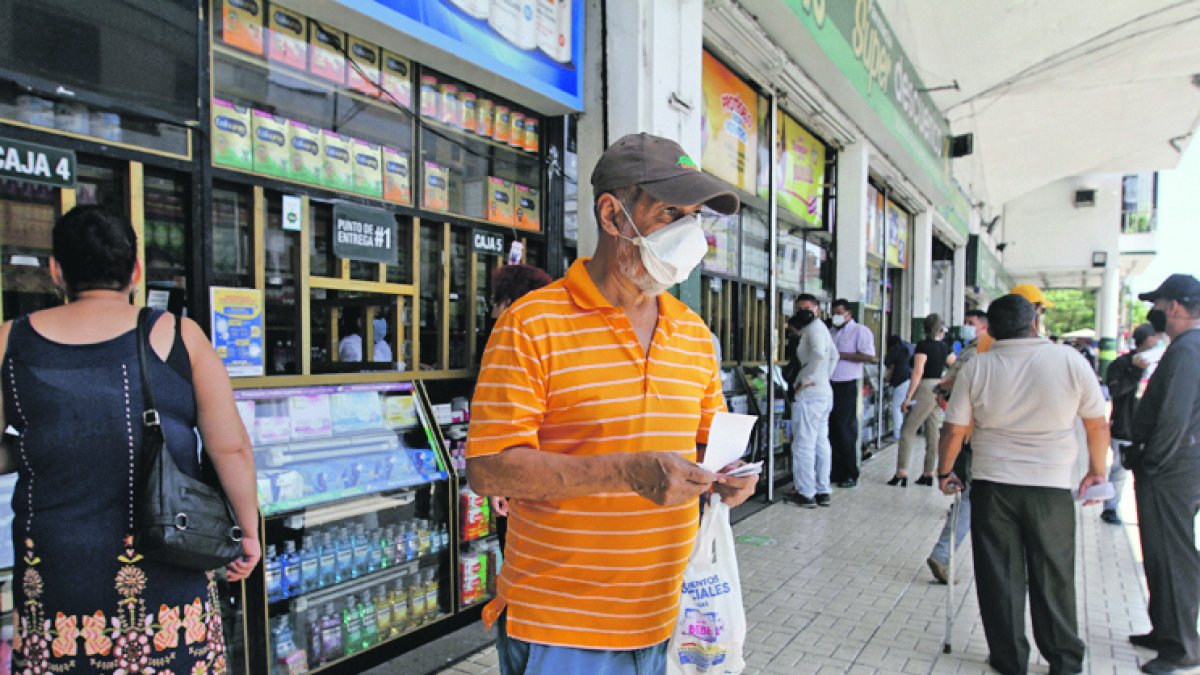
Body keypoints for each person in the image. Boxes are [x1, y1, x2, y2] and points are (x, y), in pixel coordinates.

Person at [464, 133, 757, 673]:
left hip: (676, 616)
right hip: (563, 628)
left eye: (694, 217)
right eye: (670, 211)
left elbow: (711, 447)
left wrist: (732, 478)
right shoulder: (530, 325)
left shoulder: (693, 334)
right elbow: (487, 470)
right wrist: (625, 472)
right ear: (612, 214)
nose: (688, 233)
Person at [0, 206, 260, 673]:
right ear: (136, 271)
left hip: (54, 579)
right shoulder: (179, 335)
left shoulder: (9, 342)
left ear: (57, 270)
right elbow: (231, 448)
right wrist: (248, 531)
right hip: (168, 568)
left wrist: (37, 445)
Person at [937, 293, 1108, 675]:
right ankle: (1064, 660)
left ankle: (1009, 657)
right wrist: (1097, 470)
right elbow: (1097, 423)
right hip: (1051, 488)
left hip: (993, 486)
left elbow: (953, 430)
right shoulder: (1069, 361)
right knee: (1054, 575)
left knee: (1000, 572)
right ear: (1034, 322)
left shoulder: (977, 368)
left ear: (991, 330)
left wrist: (945, 471)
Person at [1125, 274, 1200, 674]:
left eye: (1158, 304)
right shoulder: (1186, 347)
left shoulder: (1189, 349)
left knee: (1172, 555)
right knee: (1160, 552)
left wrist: (1151, 461)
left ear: (1173, 307)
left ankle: (1182, 646)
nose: (1153, 311)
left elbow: (1175, 415)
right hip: (1179, 465)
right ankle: (1166, 629)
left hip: (1172, 471)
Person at [474, 263, 553, 546]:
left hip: (524, 479)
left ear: (509, 301)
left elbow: (503, 423)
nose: (492, 311)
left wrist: (499, 484)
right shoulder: (551, 339)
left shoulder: (511, 340)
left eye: (495, 302)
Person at [926, 308, 991, 583]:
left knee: (971, 499)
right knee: (972, 499)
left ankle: (942, 553)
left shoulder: (983, 351)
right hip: (975, 435)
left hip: (973, 433)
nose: (966, 327)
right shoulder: (978, 350)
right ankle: (942, 553)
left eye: (971, 323)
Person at [1099, 323, 1158, 525]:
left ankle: (1146, 514)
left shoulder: (1160, 365)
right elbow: (1115, 391)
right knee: (1119, 470)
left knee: (1146, 474)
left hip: (1151, 430)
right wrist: (1136, 371)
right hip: (1124, 426)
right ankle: (1110, 508)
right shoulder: (1121, 364)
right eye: (1149, 345)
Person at [786, 296, 839, 508]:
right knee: (820, 442)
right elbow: (834, 356)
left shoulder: (813, 328)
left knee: (803, 445)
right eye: (799, 308)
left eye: (807, 308)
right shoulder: (822, 328)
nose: (803, 312)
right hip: (824, 392)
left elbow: (818, 353)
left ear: (816, 309)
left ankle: (806, 492)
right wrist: (824, 376)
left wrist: (808, 379)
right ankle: (822, 489)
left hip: (811, 395)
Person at [891, 314, 955, 486]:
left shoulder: (923, 345)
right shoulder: (945, 347)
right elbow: (956, 366)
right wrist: (945, 382)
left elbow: (918, 372)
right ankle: (928, 473)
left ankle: (902, 472)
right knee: (933, 431)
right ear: (941, 329)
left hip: (926, 387)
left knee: (908, 429)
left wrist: (909, 397)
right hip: (939, 386)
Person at [828, 299, 876, 487]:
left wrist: (842, 355)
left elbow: (869, 355)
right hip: (829, 381)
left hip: (847, 383)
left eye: (839, 312)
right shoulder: (831, 331)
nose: (836, 316)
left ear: (849, 314)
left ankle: (850, 472)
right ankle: (835, 470)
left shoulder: (860, 331)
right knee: (832, 428)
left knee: (845, 427)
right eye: (834, 312)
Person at [883, 335, 914, 443]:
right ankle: (905, 432)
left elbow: (886, 362)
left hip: (901, 380)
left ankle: (897, 435)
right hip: (910, 378)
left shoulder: (896, 348)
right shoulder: (909, 346)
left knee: (896, 407)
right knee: (905, 407)